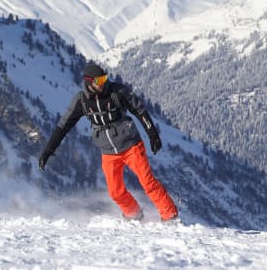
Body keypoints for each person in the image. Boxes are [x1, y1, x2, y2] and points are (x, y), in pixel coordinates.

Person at [38, 61, 179, 222]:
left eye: (104, 78)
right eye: (99, 81)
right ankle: (133, 215)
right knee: (115, 192)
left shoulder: (117, 92)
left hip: (131, 145)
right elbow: (63, 127)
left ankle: (170, 216)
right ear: (90, 83)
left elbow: (140, 111)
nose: (103, 83)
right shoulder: (81, 101)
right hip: (108, 152)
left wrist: (153, 134)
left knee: (148, 183)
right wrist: (48, 150)